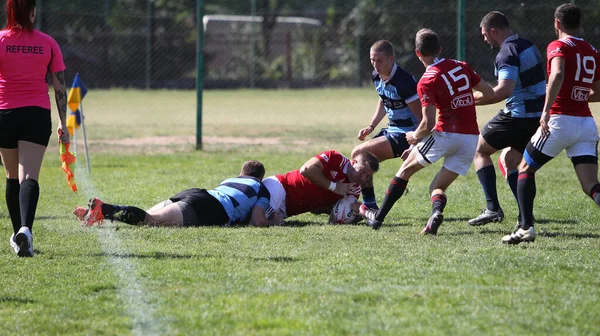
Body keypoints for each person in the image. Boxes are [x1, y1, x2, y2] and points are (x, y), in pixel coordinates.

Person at [360, 28, 494, 234]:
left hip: (446, 134)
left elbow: (427, 124)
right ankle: (436, 213)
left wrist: (414, 137)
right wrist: (462, 101)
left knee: (404, 171)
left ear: (417, 53)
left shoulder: (426, 80)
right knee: (436, 187)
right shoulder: (462, 65)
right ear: (440, 49)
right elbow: (488, 92)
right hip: (470, 139)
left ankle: (377, 219)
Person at [502, 4, 600, 244]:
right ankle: (525, 226)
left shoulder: (557, 46)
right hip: (586, 123)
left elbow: (557, 74)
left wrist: (545, 111)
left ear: (557, 23)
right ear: (580, 23)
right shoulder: (591, 50)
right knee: (591, 185)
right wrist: (577, 94)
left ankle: (526, 228)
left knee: (525, 168)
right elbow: (596, 92)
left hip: (560, 120)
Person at [0, 0, 69, 257]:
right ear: (32, 11)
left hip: (4, 113)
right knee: (28, 176)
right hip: (37, 114)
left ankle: (20, 235)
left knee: (10, 176)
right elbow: (60, 87)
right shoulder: (48, 43)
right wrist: (63, 121)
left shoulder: (1, 40)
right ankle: (25, 230)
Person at [468, 11, 546, 228]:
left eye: (485, 35)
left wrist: (470, 100)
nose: (485, 40)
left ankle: (492, 208)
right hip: (535, 117)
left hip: (517, 116)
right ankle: (524, 217)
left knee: (480, 150)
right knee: (512, 161)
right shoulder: (528, 45)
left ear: (494, 31)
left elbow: (503, 90)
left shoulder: (506, 53)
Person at [75, 160, 283, 228]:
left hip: (195, 193)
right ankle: (104, 209)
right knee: (150, 220)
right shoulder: (261, 188)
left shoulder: (231, 180)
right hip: (209, 207)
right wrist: (275, 221)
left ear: (242, 173)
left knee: (146, 218)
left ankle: (94, 215)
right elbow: (257, 220)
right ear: (260, 177)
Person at [352, 40, 421, 210]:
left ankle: (352, 202)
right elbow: (384, 101)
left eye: (379, 60)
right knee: (363, 162)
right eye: (372, 60)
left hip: (407, 134)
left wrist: (415, 144)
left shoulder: (404, 82)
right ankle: (369, 206)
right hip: (391, 130)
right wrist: (371, 126)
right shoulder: (377, 76)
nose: (375, 65)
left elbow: (423, 117)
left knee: (359, 153)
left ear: (391, 59)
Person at [262, 150, 379, 222]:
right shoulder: (335, 158)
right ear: (353, 162)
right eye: (362, 171)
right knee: (252, 219)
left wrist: (354, 214)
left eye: (368, 176)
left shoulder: (354, 189)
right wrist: (334, 187)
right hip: (280, 187)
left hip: (285, 211)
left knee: (250, 219)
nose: (364, 178)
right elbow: (306, 170)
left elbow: (321, 211)